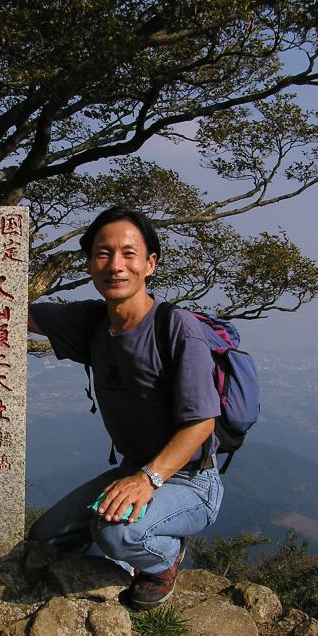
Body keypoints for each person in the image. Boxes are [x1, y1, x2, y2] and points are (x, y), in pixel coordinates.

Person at [27, 206, 224, 609]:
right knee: (47, 536)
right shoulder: (90, 320)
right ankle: (128, 541)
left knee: (117, 533)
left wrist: (147, 480)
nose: (115, 265)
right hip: (132, 469)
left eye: (129, 254)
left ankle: (166, 560)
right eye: (103, 253)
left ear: (150, 264)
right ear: (89, 263)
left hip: (190, 480)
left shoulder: (177, 328)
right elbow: (11, 310)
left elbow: (201, 423)